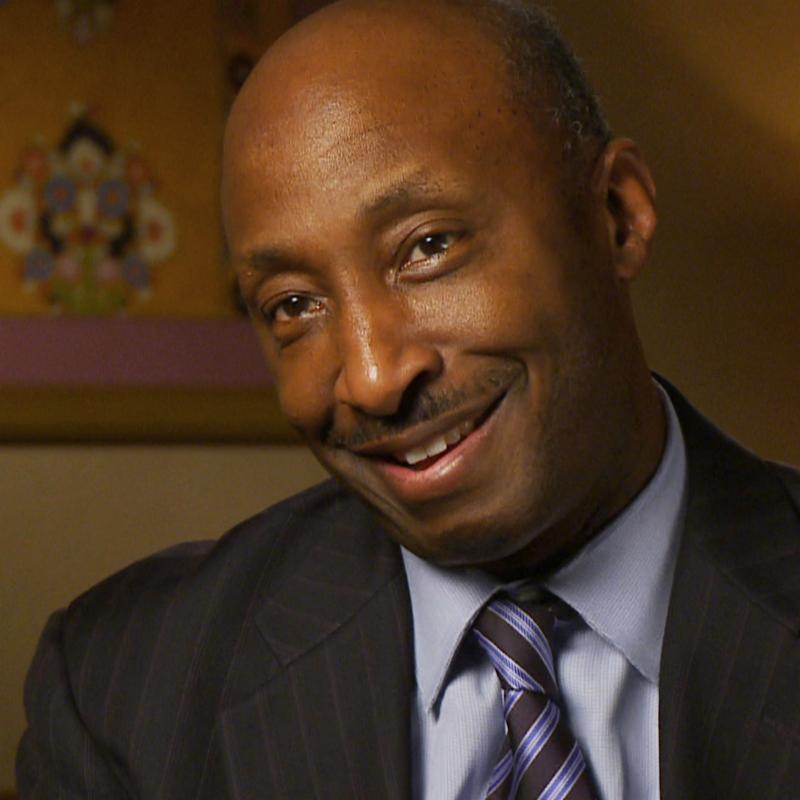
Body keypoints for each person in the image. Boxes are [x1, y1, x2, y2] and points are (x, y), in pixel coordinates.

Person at [17, 1, 800, 798]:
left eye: (429, 247)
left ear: (617, 216)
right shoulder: (120, 691)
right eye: (294, 304)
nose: (371, 377)